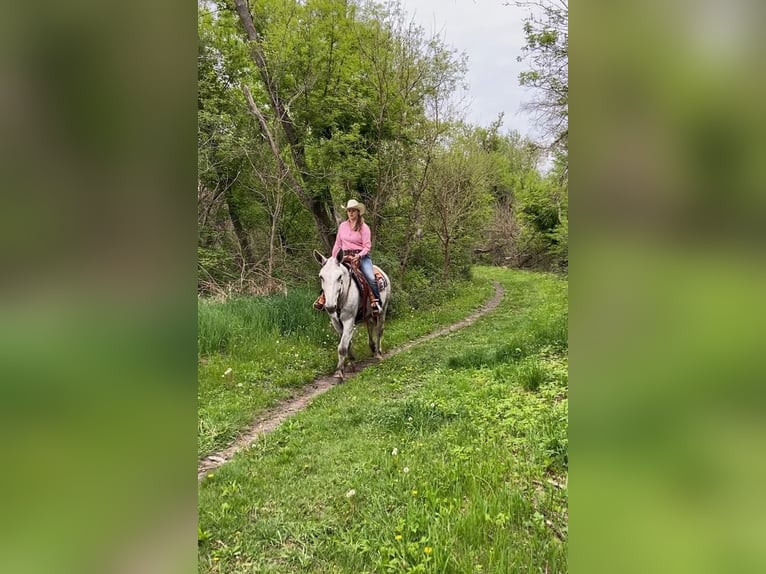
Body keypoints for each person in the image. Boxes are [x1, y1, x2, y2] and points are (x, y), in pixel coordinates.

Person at [314, 199, 382, 315]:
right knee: (331, 276)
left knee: (370, 277)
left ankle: (376, 302)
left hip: (361, 256)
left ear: (358, 212)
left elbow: (367, 246)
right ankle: (323, 298)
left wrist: (359, 256)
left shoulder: (364, 228)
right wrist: (333, 259)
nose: (351, 213)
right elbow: (338, 244)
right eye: (349, 211)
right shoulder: (342, 226)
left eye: (353, 211)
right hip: (344, 256)